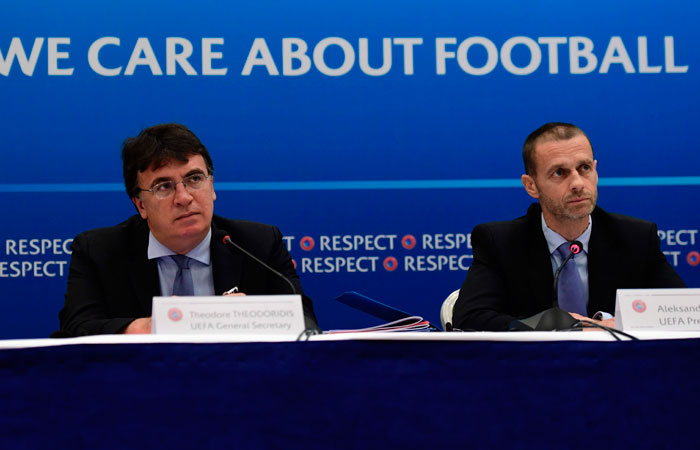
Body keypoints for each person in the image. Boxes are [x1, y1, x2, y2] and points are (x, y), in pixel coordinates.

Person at [58, 123, 318, 335]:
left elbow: (305, 324)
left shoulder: (259, 244)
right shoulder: (99, 251)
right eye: (164, 186)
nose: (183, 197)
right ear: (140, 205)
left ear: (212, 186)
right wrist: (151, 326)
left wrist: (250, 317)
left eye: (194, 179)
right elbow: (74, 331)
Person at [452, 122, 685, 331]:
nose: (577, 183)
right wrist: (564, 326)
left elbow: (681, 312)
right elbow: (470, 317)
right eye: (559, 173)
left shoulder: (636, 237)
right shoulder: (500, 242)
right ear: (531, 185)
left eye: (584, 168)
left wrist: (612, 323)